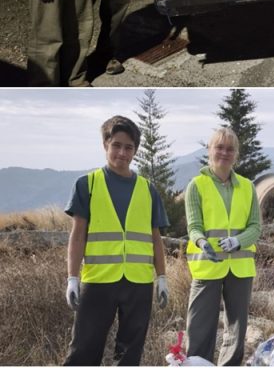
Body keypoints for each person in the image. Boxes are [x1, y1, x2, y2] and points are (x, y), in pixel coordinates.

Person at [63, 116, 169, 365]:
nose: (122, 153)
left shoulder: (148, 189)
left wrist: (162, 277)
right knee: (84, 349)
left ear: (136, 151)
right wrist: (72, 278)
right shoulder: (87, 185)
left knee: (130, 353)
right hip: (98, 280)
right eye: (116, 145)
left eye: (129, 147)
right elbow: (78, 235)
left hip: (139, 283)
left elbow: (156, 239)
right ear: (105, 145)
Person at [184, 127, 261, 366]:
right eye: (219, 147)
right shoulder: (196, 185)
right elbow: (194, 226)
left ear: (236, 154)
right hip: (207, 266)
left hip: (240, 267)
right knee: (199, 326)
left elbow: (255, 227)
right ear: (210, 150)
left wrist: (238, 241)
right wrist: (201, 242)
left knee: (237, 328)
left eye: (230, 149)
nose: (224, 153)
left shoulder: (247, 186)